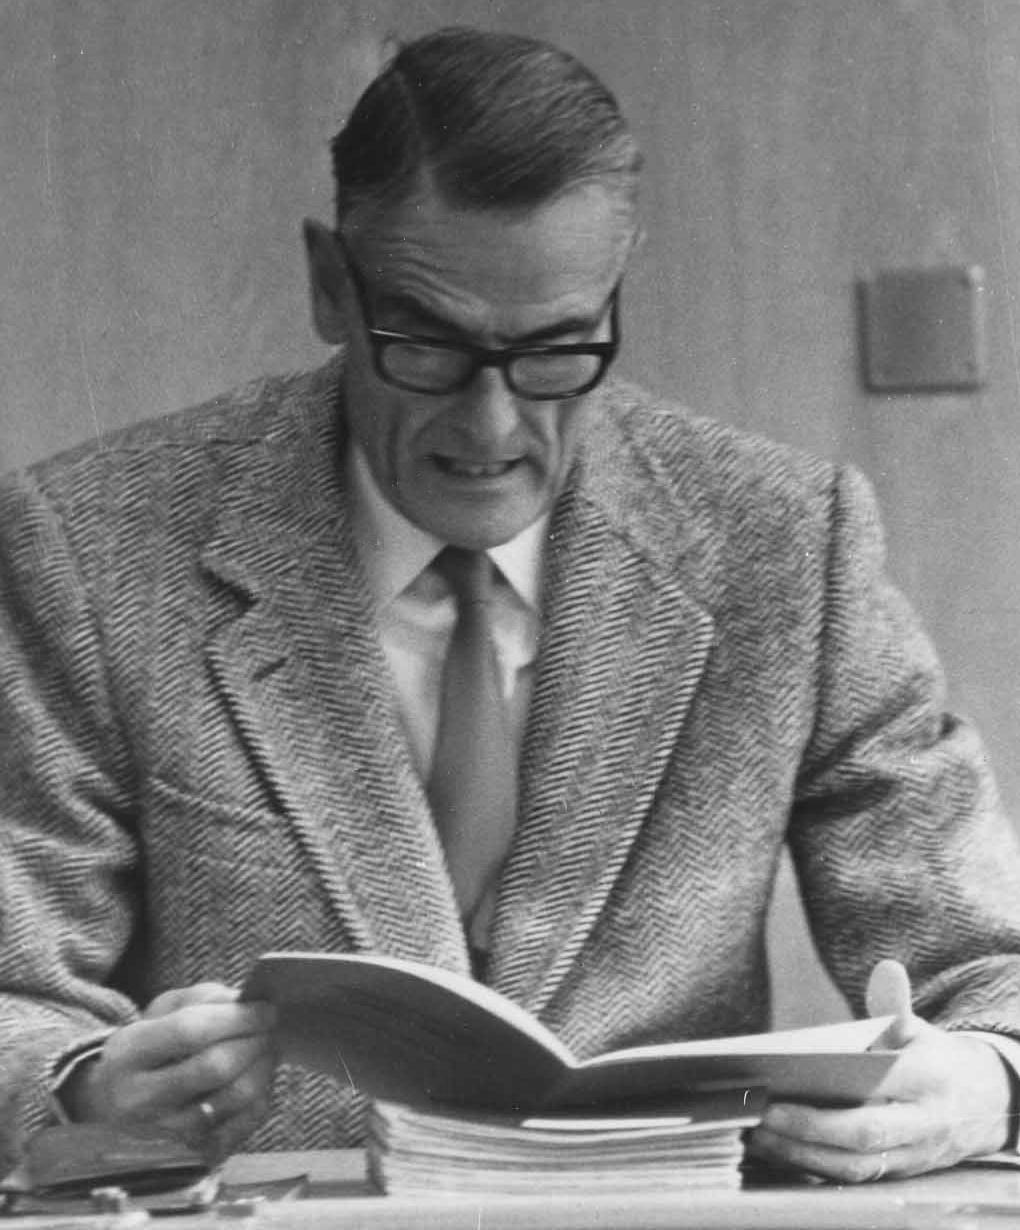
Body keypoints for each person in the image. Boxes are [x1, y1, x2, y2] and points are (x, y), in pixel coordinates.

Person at [1, 25, 1019, 1183]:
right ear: (331, 285)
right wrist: (87, 1085)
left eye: (555, 351)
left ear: (612, 295)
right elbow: (13, 994)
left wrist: (983, 1085)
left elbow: (992, 964)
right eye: (427, 345)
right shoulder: (93, 548)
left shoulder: (783, 546)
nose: (491, 428)